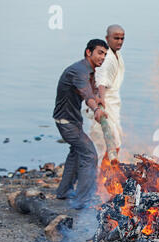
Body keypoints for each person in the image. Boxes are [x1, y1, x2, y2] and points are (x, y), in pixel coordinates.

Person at [53, 39, 109, 209]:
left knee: (76, 153)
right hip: (66, 123)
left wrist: (100, 99)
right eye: (100, 53)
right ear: (88, 52)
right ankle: (82, 201)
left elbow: (91, 93)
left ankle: (64, 192)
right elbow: (87, 96)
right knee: (89, 154)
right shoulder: (79, 71)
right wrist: (96, 109)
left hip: (72, 121)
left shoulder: (89, 71)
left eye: (105, 54)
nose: (103, 57)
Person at [88, 24, 125, 161]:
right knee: (108, 144)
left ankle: (106, 176)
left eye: (122, 39)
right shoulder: (107, 57)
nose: (119, 42)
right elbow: (101, 81)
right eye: (116, 38)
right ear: (107, 38)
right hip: (105, 104)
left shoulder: (117, 54)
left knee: (116, 141)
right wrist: (101, 100)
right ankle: (101, 178)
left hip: (114, 105)